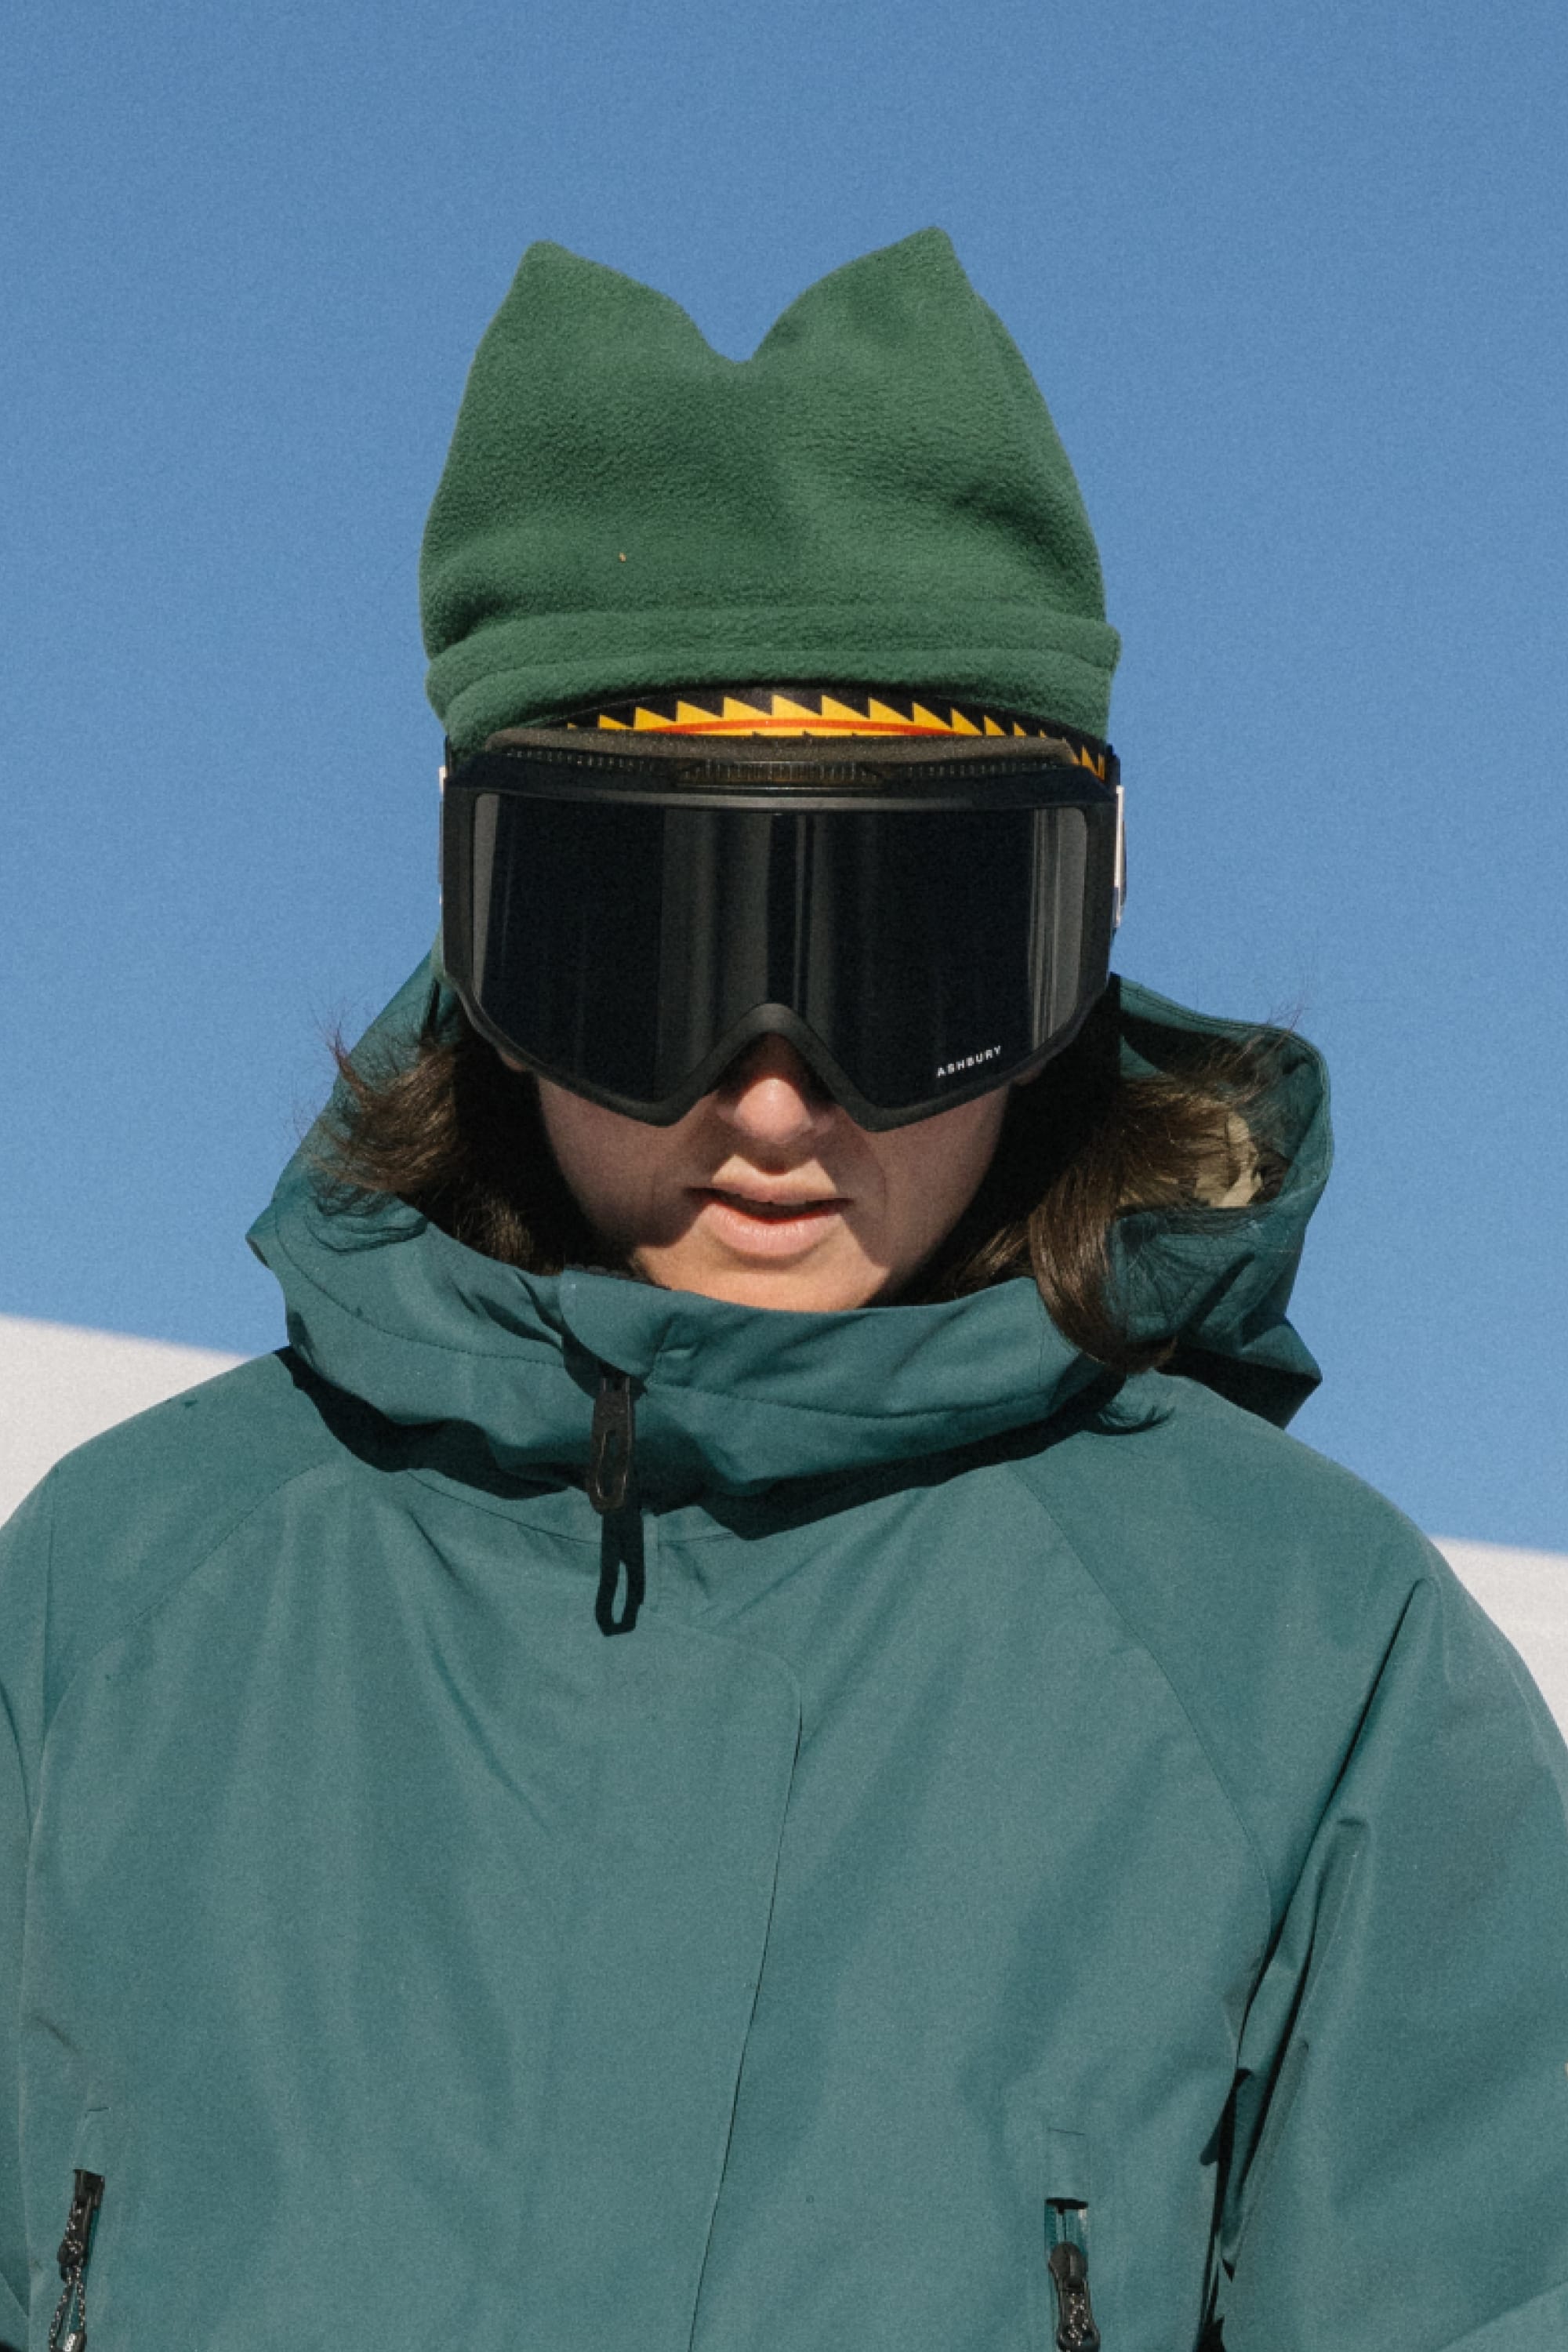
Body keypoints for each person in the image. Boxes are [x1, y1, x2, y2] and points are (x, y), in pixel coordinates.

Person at [3, 229, 1566, 2352]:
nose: (769, 1099)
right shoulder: (123, 1612)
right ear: (482, 937)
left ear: (1081, 930)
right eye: (642, 950)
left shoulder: (1308, 1673)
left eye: (909, 965)